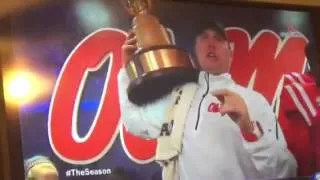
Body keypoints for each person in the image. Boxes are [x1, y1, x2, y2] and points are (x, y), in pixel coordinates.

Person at [118, 21, 297, 180]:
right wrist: (127, 70)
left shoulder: (254, 101)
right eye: (204, 38)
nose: (211, 44)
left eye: (218, 39)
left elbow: (285, 171)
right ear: (195, 51)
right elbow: (135, 122)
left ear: (231, 52)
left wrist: (249, 129)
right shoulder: (176, 99)